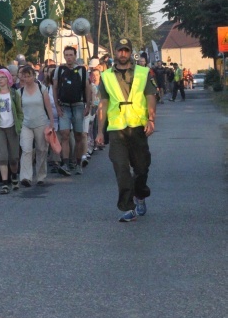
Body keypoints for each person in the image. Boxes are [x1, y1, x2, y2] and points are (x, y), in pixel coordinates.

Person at [96, 38, 157, 222]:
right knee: (121, 168)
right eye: (120, 50)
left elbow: (151, 96)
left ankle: (140, 195)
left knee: (141, 168)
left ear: (131, 53)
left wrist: (151, 119)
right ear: (115, 52)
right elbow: (103, 105)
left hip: (138, 127)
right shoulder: (106, 76)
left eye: (126, 50)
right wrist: (100, 132)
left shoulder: (143, 72)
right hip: (117, 129)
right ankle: (128, 207)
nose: (123, 54)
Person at [52, 46, 92, 176]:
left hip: (78, 105)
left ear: (75, 56)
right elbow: (55, 87)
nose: (69, 57)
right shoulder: (59, 70)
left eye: (71, 55)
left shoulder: (82, 70)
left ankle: (78, 162)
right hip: (64, 106)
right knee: (64, 134)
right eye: (67, 55)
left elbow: (87, 87)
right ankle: (65, 163)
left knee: (78, 135)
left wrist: (88, 105)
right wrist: (57, 106)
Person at [18, 66, 54, 187]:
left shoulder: (41, 88)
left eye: (29, 76)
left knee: (41, 149)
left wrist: (52, 124)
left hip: (41, 123)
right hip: (26, 124)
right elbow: (18, 110)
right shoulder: (20, 92)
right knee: (26, 149)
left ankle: (40, 176)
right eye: (24, 76)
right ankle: (26, 177)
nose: (27, 79)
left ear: (34, 76)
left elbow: (48, 107)